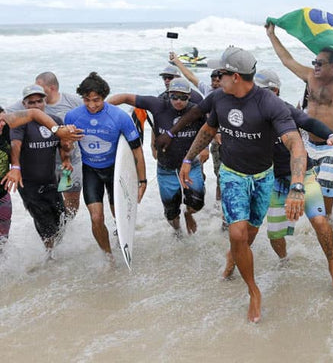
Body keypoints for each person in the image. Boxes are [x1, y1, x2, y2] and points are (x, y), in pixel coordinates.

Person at [178, 46, 307, 323]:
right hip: (232, 174)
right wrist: (188, 159)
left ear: (235, 76)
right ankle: (254, 291)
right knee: (237, 234)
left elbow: (295, 143)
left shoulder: (268, 103)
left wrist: (297, 186)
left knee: (248, 234)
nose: (215, 77)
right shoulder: (218, 99)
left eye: (220, 73)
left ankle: (232, 258)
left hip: (263, 177)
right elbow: (208, 130)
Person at [255, 69, 333, 290]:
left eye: (263, 92)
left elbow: (308, 122)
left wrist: (332, 136)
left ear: (275, 91)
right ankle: (285, 261)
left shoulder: (283, 108)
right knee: (274, 233)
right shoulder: (251, 112)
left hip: (303, 173)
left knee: (319, 221)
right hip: (273, 180)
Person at [266, 23, 333, 216]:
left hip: (332, 145)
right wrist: (272, 35)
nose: (315, 66)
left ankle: (327, 222)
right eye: (314, 62)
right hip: (308, 143)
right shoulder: (310, 77)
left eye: (320, 63)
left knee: (326, 195)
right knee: (306, 190)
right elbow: (287, 60)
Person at [108, 78, 207, 235]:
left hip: (190, 165)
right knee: (171, 212)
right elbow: (126, 98)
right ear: (168, 95)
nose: (179, 101)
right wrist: (103, 108)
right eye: (175, 96)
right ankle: (178, 231)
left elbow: (208, 130)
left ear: (190, 96)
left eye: (183, 97)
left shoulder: (197, 111)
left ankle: (188, 214)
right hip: (166, 168)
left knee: (197, 203)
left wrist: (205, 148)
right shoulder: (158, 104)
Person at [64, 72, 147, 260]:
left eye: (97, 100)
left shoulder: (119, 117)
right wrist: (66, 156)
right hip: (90, 170)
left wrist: (142, 180)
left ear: (104, 97)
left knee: (118, 215)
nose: (92, 105)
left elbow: (136, 151)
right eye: (87, 100)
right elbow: (65, 145)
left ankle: (122, 240)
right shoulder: (73, 117)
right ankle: (108, 256)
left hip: (115, 172)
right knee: (96, 218)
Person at [0, 101, 83, 250]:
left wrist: (58, 131)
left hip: (3, 194)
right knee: (44, 222)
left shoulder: (7, 125)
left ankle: (47, 259)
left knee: (2, 240)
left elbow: (33, 114)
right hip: (29, 184)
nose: (1, 124)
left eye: (2, 120)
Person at [7, 72, 83, 220]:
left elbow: (92, 113)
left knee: (70, 205)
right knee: (46, 212)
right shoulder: (25, 105)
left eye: (39, 99)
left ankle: (67, 229)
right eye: (31, 102)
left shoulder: (72, 101)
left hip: (69, 162)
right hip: (47, 165)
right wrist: (15, 167)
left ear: (51, 89)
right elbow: (6, 116)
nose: (36, 104)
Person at [168, 52, 224, 199]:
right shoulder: (208, 91)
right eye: (213, 79)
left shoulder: (231, 94)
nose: (214, 82)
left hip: (231, 139)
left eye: (218, 79)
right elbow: (191, 77)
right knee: (218, 173)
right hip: (211, 138)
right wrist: (177, 62)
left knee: (226, 176)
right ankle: (217, 203)